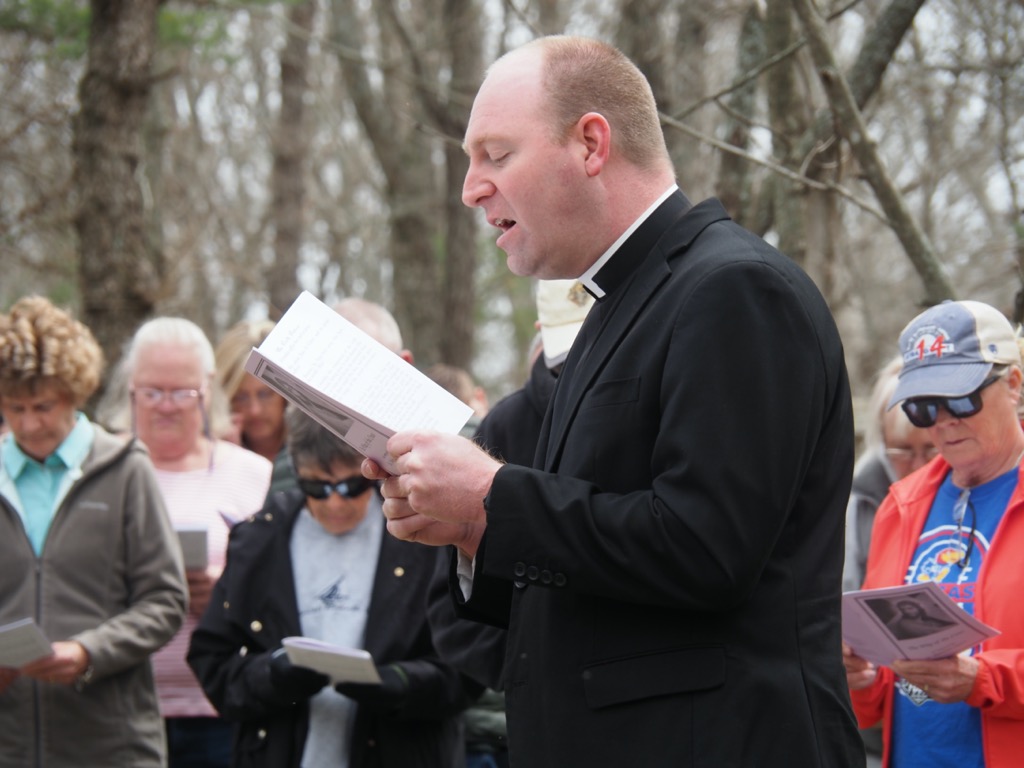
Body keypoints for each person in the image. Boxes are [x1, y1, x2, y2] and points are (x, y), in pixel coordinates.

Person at [366, 35, 863, 766]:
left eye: (496, 155)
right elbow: (584, 581)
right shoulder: (613, 310)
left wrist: (489, 501)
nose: (471, 188)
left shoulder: (735, 290)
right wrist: (468, 533)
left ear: (591, 143)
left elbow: (707, 550)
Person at [187, 405, 471, 768]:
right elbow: (211, 660)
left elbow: (468, 665)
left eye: (352, 486)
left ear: (373, 472)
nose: (335, 502)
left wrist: (398, 683)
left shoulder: (424, 534)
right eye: (316, 487)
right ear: (297, 473)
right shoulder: (258, 540)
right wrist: (273, 675)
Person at [0, 296, 187, 766]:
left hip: (112, 745)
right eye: (13, 408)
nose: (28, 424)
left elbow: (164, 600)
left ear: (75, 391)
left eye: (43, 405)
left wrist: (88, 652)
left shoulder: (125, 470)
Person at [845, 299, 1024, 768]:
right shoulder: (901, 504)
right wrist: (860, 676)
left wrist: (983, 680)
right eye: (924, 407)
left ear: (1013, 385)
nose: (944, 420)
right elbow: (882, 690)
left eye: (962, 398)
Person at [116, 317, 273, 768]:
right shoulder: (100, 471)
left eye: (181, 392)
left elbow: (283, 595)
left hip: (219, 710)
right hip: (116, 707)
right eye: (152, 392)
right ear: (130, 391)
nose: (166, 406)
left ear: (207, 392)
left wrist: (226, 597)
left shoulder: (251, 475)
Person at [845, 354, 938, 593]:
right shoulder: (859, 497)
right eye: (902, 451)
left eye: (931, 450)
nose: (919, 466)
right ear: (882, 442)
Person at [215, 319, 293, 492]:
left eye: (265, 394)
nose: (254, 410)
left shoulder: (311, 450)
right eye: (241, 397)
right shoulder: (209, 454)